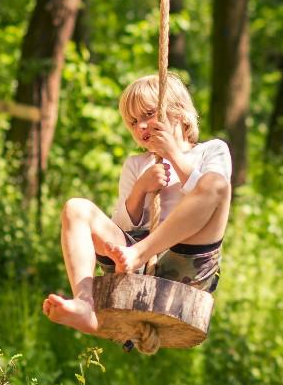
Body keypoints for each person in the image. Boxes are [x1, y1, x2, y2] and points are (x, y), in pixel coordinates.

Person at [43, 73, 232, 334]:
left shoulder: (212, 150)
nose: (141, 126)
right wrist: (141, 189)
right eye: (133, 122)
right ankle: (84, 303)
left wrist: (173, 155)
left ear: (179, 112)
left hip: (189, 258)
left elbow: (210, 196)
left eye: (148, 114)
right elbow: (120, 225)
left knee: (217, 185)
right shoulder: (136, 165)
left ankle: (140, 252)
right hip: (135, 258)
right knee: (76, 208)